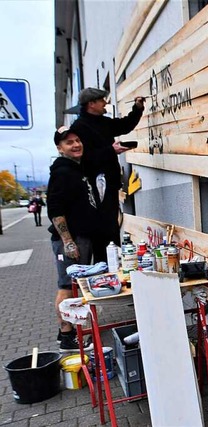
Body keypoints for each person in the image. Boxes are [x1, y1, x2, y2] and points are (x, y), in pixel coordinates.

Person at [69, 88, 145, 262]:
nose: (105, 103)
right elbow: (83, 158)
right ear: (91, 104)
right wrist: (110, 151)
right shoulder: (79, 128)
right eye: (102, 100)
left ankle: (112, 267)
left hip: (109, 185)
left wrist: (137, 108)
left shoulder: (102, 122)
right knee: (102, 233)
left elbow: (124, 125)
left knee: (111, 229)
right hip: (96, 189)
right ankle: (104, 269)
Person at [48, 126, 98, 352]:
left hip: (81, 238)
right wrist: (68, 241)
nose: (76, 144)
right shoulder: (61, 172)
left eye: (78, 140)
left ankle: (71, 332)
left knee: (75, 286)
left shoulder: (76, 169)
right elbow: (55, 209)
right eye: (69, 142)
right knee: (67, 287)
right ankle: (67, 336)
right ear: (60, 148)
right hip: (70, 240)